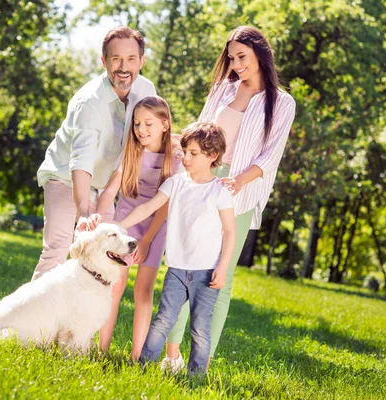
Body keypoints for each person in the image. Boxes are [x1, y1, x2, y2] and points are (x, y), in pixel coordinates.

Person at [162, 25, 297, 371]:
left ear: (260, 55)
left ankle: (200, 365)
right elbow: (201, 130)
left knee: (218, 278)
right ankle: (172, 356)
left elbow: (270, 156)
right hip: (201, 181)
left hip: (239, 192)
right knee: (183, 264)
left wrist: (238, 181)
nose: (237, 64)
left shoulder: (281, 102)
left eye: (243, 57)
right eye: (232, 58)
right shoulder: (224, 88)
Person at [95, 121, 236, 374]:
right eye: (184, 152)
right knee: (162, 321)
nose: (186, 158)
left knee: (200, 327)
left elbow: (229, 231)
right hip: (176, 270)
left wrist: (223, 268)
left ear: (212, 156)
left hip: (206, 272)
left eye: (194, 154)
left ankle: (195, 376)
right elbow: (147, 208)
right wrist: (119, 225)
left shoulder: (220, 191)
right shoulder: (176, 183)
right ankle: (143, 366)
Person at [32, 26, 156, 281]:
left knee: (102, 259)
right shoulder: (89, 102)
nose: (124, 67)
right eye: (116, 59)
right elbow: (81, 162)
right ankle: (29, 319)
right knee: (58, 250)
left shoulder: (146, 93)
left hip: (104, 183)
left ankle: (78, 320)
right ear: (104, 61)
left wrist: (103, 200)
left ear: (141, 61)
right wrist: (84, 211)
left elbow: (135, 150)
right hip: (65, 176)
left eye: (131, 59)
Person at [90, 96, 182, 358]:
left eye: (148, 123)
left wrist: (146, 240)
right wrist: (100, 218)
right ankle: (101, 349)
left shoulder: (174, 158)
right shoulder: (131, 151)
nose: (141, 129)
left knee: (143, 290)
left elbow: (163, 207)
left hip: (155, 228)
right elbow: (110, 192)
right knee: (115, 286)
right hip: (125, 222)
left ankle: (136, 356)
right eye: (137, 124)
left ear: (165, 124)